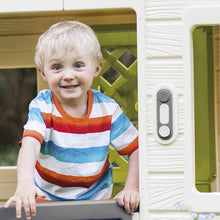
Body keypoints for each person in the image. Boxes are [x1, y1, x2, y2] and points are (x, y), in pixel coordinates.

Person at [4, 21, 139, 220]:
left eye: (78, 65)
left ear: (97, 68)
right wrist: (25, 184)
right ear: (43, 72)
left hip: (95, 201)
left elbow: (136, 147)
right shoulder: (42, 105)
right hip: (46, 199)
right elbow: (30, 144)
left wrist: (132, 188)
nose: (68, 75)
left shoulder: (107, 110)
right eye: (57, 67)